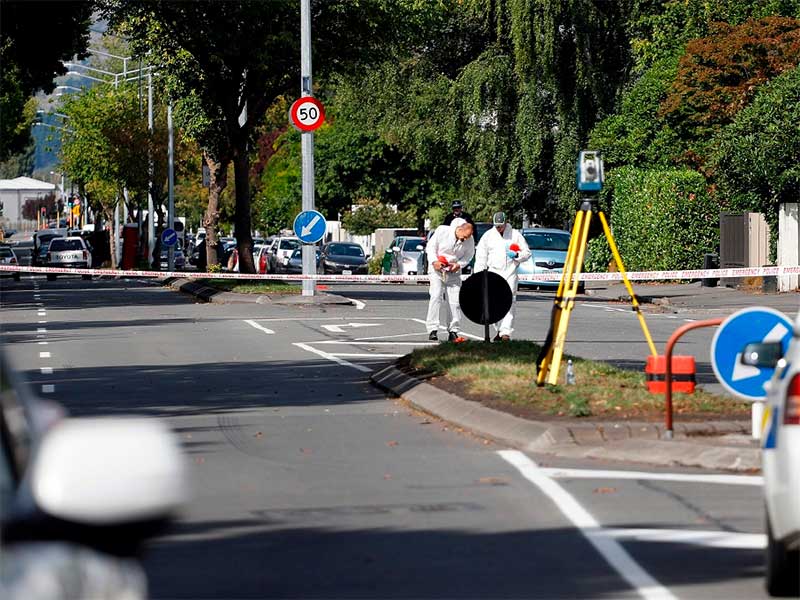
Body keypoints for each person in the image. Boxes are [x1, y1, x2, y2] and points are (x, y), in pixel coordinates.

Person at [473, 211, 531, 341]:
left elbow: (527, 253)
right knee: (493, 303)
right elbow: (481, 256)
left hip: (510, 272)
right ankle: (499, 329)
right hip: (493, 272)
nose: (498, 228)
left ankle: (506, 332)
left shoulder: (515, 235)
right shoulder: (488, 236)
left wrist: (516, 256)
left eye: (500, 225)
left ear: (505, 223)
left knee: (510, 301)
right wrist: (479, 276)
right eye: (496, 225)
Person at [425, 218, 475, 342]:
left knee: (455, 301)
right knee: (436, 296)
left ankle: (453, 330)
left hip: (453, 270)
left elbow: (469, 255)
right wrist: (434, 261)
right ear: (458, 229)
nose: (464, 240)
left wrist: (459, 265)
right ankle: (432, 329)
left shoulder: (469, 240)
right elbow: (430, 248)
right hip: (437, 269)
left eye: (466, 238)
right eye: (463, 237)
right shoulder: (442, 231)